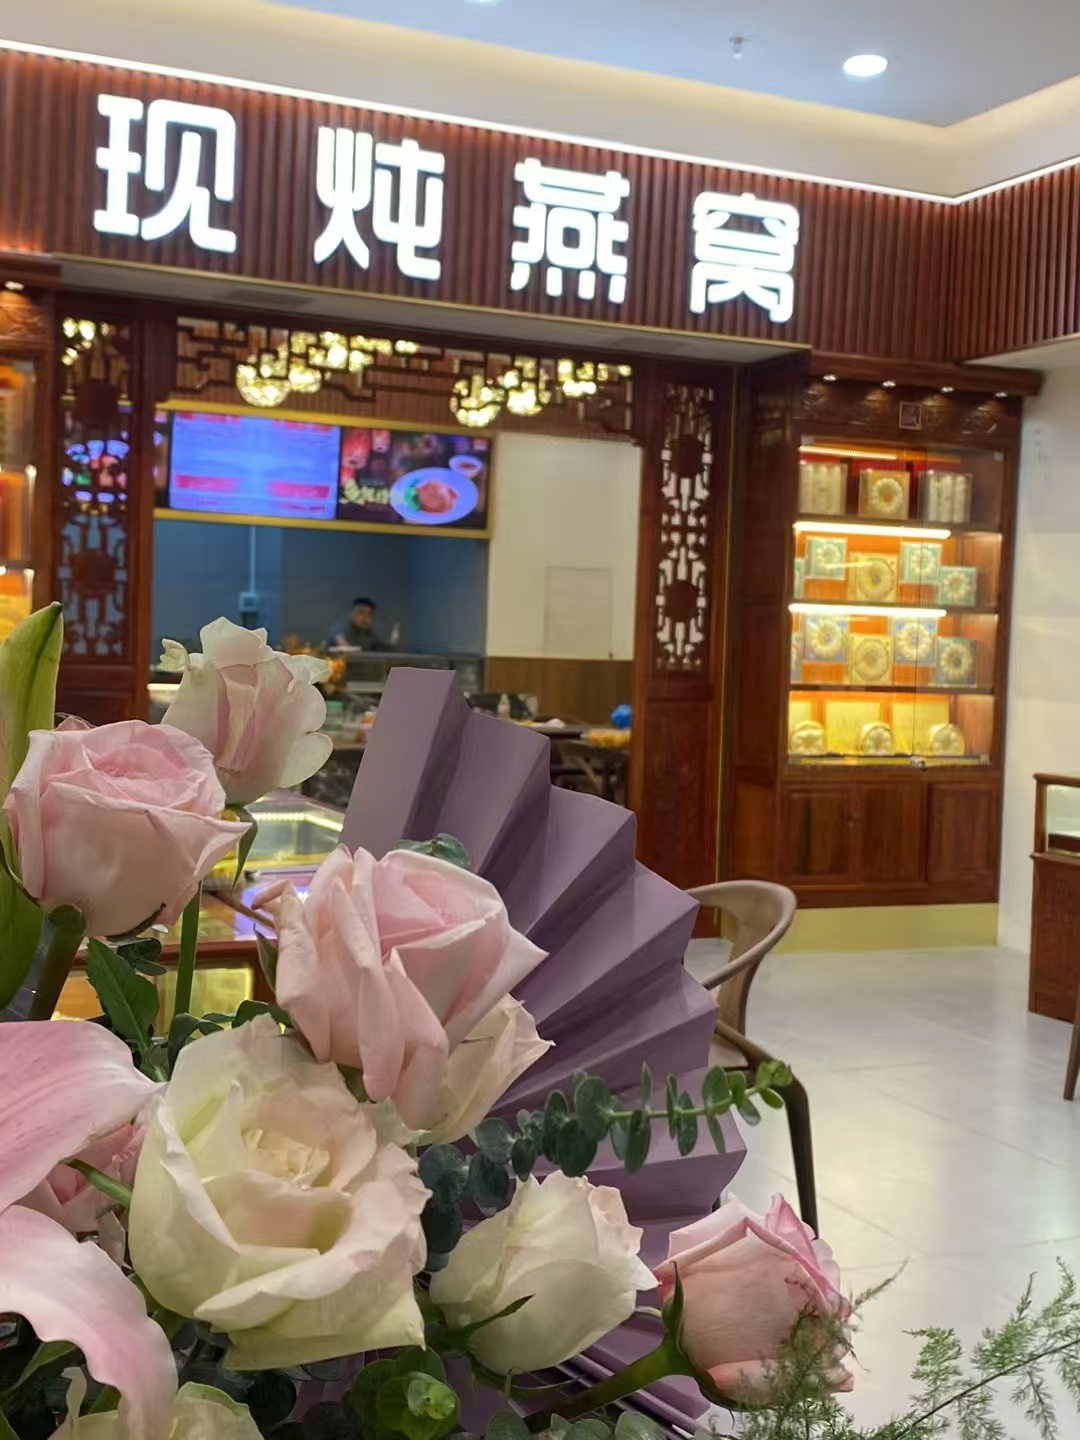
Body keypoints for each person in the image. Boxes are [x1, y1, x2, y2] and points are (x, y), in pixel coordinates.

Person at [325, 596, 393, 652]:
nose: (365, 618)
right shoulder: (341, 628)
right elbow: (340, 640)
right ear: (351, 614)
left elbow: (379, 646)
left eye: (369, 615)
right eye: (361, 613)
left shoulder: (368, 633)